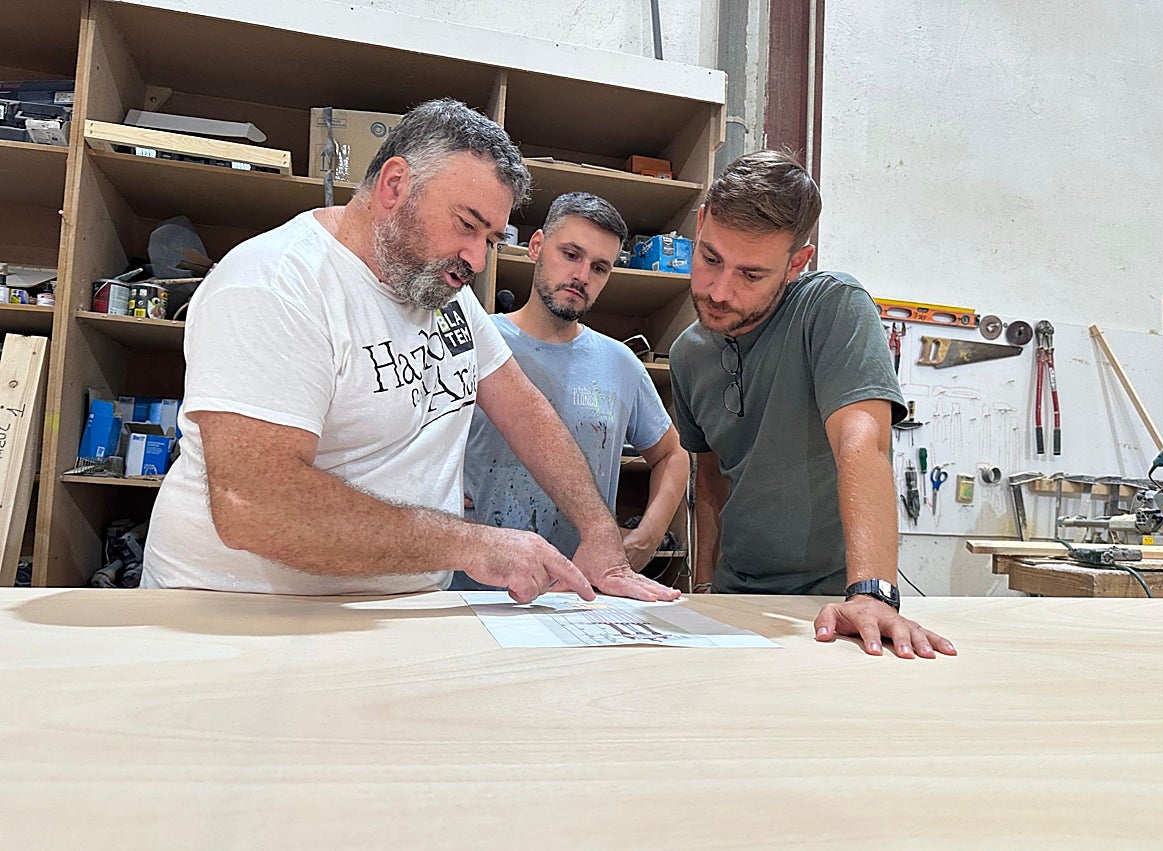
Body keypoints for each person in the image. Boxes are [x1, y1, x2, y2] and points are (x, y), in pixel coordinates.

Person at [140, 99, 679, 606]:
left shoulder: (441, 288)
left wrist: (600, 532)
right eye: (467, 225)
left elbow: (525, 409)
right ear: (395, 185)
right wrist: (472, 544)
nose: (476, 258)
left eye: (490, 239)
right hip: (236, 614)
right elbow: (254, 506)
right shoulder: (275, 284)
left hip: (387, 611)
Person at [669, 150, 955, 658]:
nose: (717, 289)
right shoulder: (688, 354)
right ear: (701, 224)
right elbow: (711, 480)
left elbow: (861, 445)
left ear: (797, 262)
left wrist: (872, 592)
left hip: (833, 603)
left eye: (751, 275)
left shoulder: (831, 307)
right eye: (710, 258)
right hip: (735, 594)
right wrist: (706, 583)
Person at [453, 193, 689, 591]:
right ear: (537, 246)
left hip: (577, 596)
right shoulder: (473, 340)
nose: (582, 275)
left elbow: (672, 454)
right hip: (471, 590)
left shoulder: (621, 363)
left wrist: (646, 538)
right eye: (571, 254)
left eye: (599, 267)